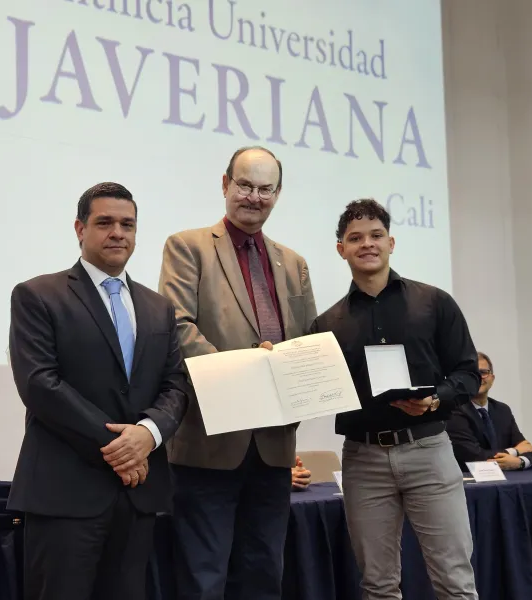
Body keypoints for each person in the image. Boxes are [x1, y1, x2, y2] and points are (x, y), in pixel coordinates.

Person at [7, 182, 190, 600]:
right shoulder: (38, 295)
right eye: (104, 222)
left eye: (127, 224)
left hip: (137, 497)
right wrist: (121, 448)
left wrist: (148, 434)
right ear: (80, 228)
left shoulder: (157, 306)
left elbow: (176, 383)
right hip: (65, 494)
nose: (117, 233)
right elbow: (40, 384)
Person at [158, 146, 317, 600]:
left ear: (278, 194)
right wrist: (246, 374)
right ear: (225, 184)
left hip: (273, 445)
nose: (254, 197)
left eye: (266, 188)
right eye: (245, 185)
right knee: (203, 578)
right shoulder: (187, 247)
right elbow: (177, 325)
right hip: (209, 441)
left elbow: (306, 343)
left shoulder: (295, 263)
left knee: (264, 574)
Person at [309, 198, 480, 600]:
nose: (366, 244)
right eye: (355, 238)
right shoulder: (326, 324)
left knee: (455, 580)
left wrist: (435, 400)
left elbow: (468, 373)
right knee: (378, 586)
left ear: (391, 242)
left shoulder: (434, 303)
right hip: (363, 461)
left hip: (429, 451)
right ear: (341, 249)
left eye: (376, 235)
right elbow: (314, 388)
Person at [446, 352, 532, 471]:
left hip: (508, 481)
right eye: (473, 374)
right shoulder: (454, 410)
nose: (479, 378)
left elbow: (529, 450)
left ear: (492, 378)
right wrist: (515, 451)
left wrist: (519, 462)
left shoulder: (503, 410)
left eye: (483, 373)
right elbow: (473, 456)